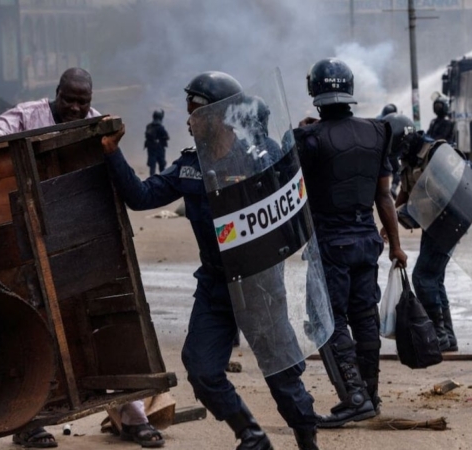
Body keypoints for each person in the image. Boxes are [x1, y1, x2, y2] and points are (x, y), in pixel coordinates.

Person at [101, 71, 320, 450]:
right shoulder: (190, 166)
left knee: (282, 376)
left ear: (219, 115)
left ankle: (307, 441)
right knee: (201, 369)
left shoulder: (261, 155)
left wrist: (305, 139)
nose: (188, 121)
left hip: (260, 285)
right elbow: (140, 196)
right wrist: (111, 152)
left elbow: (294, 199)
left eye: (195, 114)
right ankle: (251, 435)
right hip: (217, 286)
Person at [0, 67, 163, 449]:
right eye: (70, 99)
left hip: (82, 237)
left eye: (83, 101)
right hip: (30, 239)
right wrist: (26, 148)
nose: (76, 108)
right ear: (56, 93)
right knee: (34, 328)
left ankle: (133, 415)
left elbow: (117, 172)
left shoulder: (97, 125)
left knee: (109, 327)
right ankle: (30, 422)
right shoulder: (28, 115)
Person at [293, 58, 408, 429]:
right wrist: (394, 244)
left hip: (331, 245)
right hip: (367, 242)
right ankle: (370, 395)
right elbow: (385, 197)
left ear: (315, 93)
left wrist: (305, 131)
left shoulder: (308, 139)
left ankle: (353, 397)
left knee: (328, 320)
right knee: (364, 318)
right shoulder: (378, 132)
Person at [387, 116, 459, 352]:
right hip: (433, 225)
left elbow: (447, 192)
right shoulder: (409, 161)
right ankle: (447, 336)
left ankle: (439, 335)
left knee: (423, 276)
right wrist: (390, 225)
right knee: (434, 278)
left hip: (448, 223)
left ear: (405, 142)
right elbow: (404, 196)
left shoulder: (436, 153)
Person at [144, 110, 170, 176]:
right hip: (159, 149)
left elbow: (146, 136)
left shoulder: (148, 126)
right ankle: (163, 180)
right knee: (162, 166)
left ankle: (151, 180)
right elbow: (167, 137)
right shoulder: (161, 128)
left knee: (152, 167)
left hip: (151, 148)